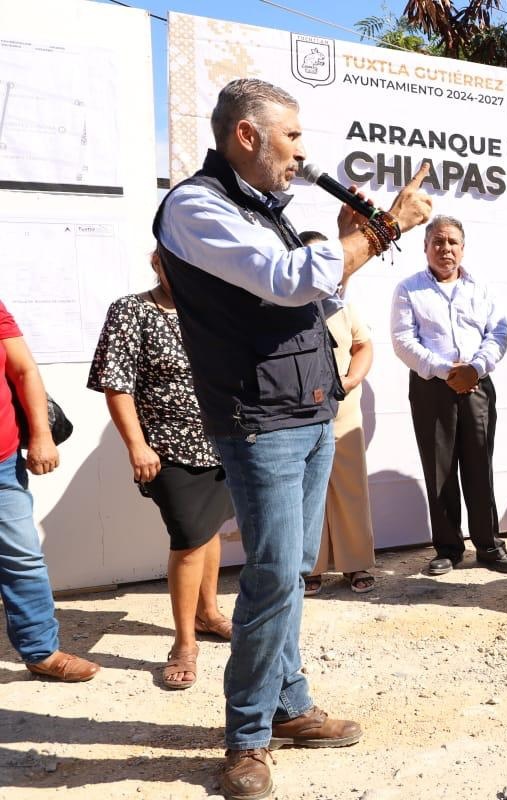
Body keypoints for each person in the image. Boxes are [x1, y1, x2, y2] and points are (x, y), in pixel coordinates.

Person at [153, 78, 431, 800]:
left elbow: (317, 293)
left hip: (307, 409)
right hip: (259, 419)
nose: (302, 153)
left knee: (291, 571)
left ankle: (287, 705)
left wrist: (351, 242)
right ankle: (246, 740)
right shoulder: (193, 206)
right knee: (274, 576)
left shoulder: (266, 210)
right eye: (294, 137)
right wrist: (377, 230)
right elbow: (283, 280)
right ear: (247, 136)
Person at [88, 252, 235, 690]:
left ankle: (208, 614)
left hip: (220, 443)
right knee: (189, 537)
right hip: (167, 449)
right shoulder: (131, 310)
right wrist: (137, 445)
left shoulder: (209, 312)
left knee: (209, 530)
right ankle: (184, 642)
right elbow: (116, 384)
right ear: (157, 262)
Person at [391, 216, 507, 577]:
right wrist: (445, 370)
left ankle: (490, 546)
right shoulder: (409, 289)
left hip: (477, 384)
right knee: (440, 469)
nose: (445, 248)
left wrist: (475, 368)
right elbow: (403, 340)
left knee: (480, 465)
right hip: (432, 387)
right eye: (438, 241)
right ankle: (448, 548)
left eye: (452, 242)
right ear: (426, 247)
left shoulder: (479, 289)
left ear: (462, 248)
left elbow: (499, 333)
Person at [1, 301, 100, 683]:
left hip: (2, 460)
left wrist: (41, 435)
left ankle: (41, 652)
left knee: (22, 559)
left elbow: (23, 369)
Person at [302, 231, 378, 596]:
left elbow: (363, 345)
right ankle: (309, 567)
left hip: (344, 411)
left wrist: (351, 380)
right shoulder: (284, 304)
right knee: (307, 492)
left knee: (350, 488)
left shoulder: (343, 305)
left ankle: (356, 563)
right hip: (300, 413)